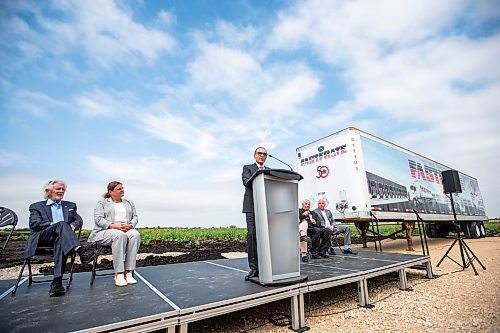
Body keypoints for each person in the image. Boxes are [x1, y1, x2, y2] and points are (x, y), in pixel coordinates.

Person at [25, 180, 96, 297]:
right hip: (43, 236)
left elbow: (78, 220)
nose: (61, 191)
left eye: (63, 189)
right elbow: (34, 224)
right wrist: (56, 225)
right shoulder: (36, 206)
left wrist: (73, 225)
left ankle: (57, 282)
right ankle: (80, 250)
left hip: (63, 238)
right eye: (58, 189)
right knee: (62, 224)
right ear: (48, 191)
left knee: (60, 240)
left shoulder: (70, 205)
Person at [89, 181, 141, 287]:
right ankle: (119, 273)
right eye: (119, 189)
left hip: (126, 228)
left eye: (122, 188)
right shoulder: (102, 202)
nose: (122, 190)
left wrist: (130, 225)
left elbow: (135, 217)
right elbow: (98, 219)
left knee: (135, 235)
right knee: (119, 235)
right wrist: (113, 226)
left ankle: (128, 271)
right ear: (111, 191)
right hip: (106, 230)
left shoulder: (129, 203)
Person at [242, 147, 268, 280]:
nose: (262, 156)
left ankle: (266, 266)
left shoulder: (269, 171)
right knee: (252, 236)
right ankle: (254, 268)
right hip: (252, 207)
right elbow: (246, 182)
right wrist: (259, 174)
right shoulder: (248, 168)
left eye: (264, 154)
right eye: (260, 153)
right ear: (254, 155)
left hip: (266, 208)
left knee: (266, 237)